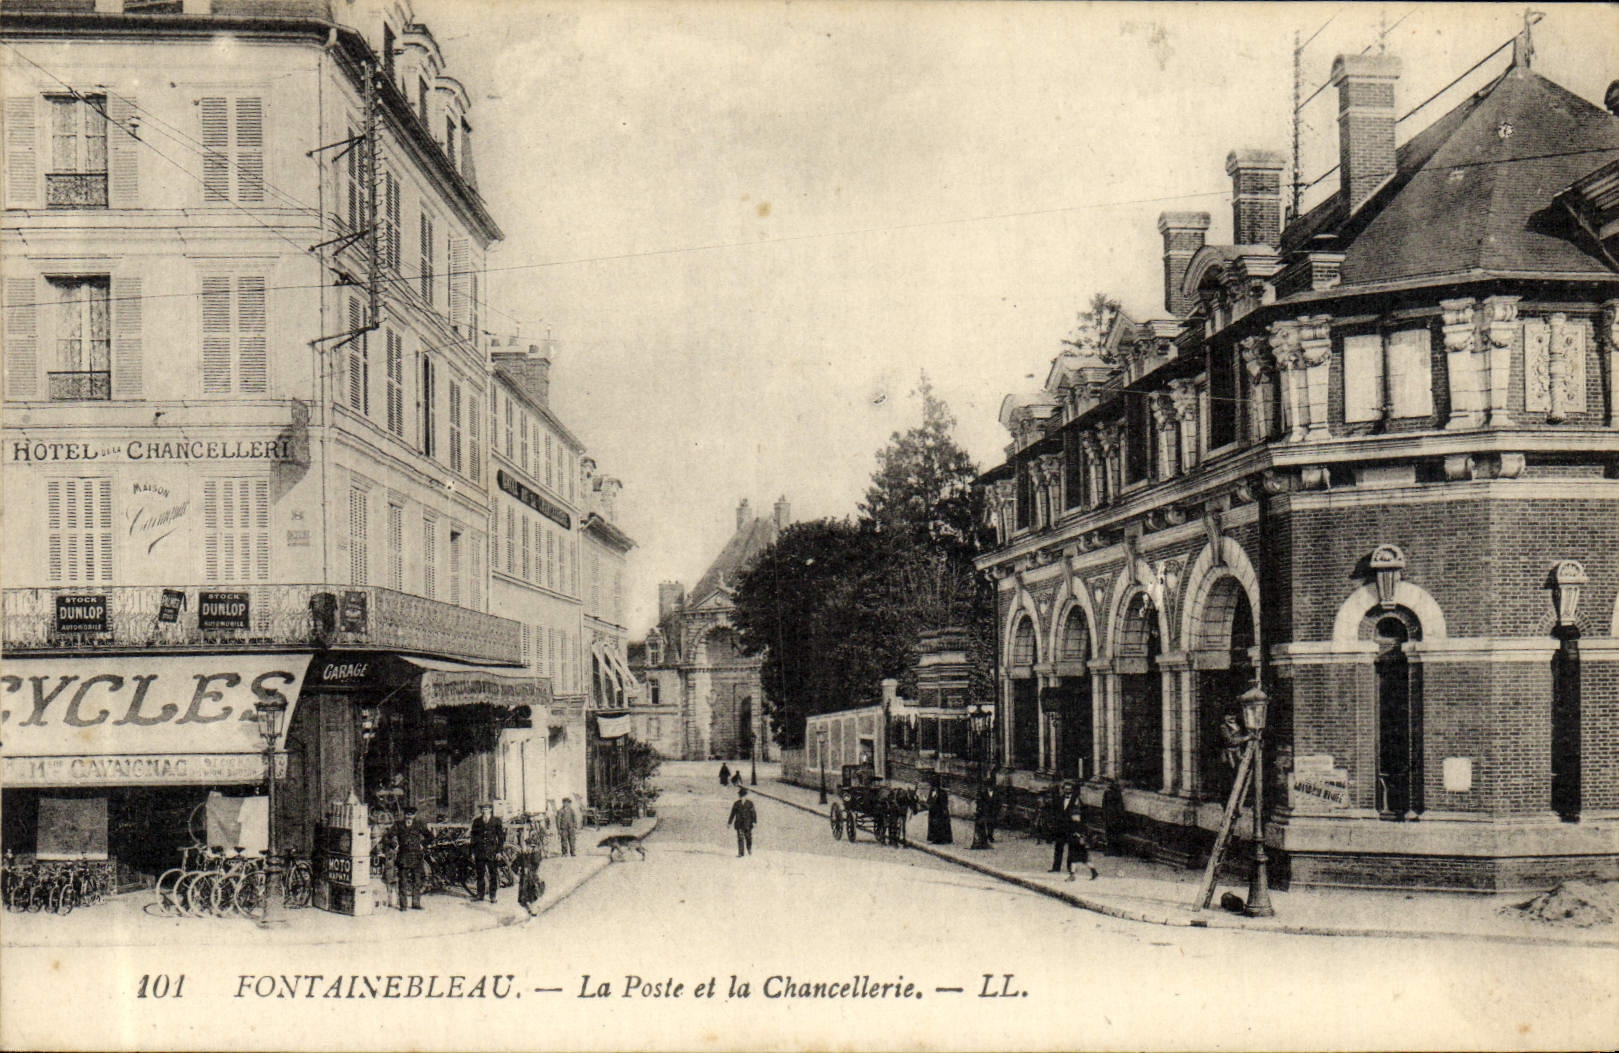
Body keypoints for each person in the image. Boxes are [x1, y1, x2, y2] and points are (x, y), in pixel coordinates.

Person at [1052, 781, 1098, 881]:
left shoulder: (1077, 802)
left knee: (1076, 855)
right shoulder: (1060, 799)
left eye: (1069, 789)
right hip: (1064, 829)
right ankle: (1060, 869)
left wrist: (1079, 832)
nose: (1067, 791)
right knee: (1072, 853)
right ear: (1063, 789)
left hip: (1074, 832)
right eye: (1066, 789)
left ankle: (1074, 873)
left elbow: (1080, 820)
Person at [389, 805, 430, 911]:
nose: (409, 816)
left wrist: (423, 844)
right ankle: (403, 905)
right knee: (403, 881)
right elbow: (388, 836)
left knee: (417, 881)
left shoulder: (419, 825)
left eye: (411, 814)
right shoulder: (398, 825)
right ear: (404, 815)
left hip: (416, 856)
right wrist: (395, 845)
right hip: (403, 856)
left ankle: (416, 903)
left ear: (414, 815)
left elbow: (430, 836)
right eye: (407, 814)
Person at [470, 802, 504, 904]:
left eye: (487, 808)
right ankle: (480, 895)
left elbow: (501, 837)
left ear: (490, 810)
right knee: (480, 874)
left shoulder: (496, 821)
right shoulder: (477, 821)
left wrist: (499, 851)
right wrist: (472, 852)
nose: (485, 810)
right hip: (479, 852)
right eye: (483, 809)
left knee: (493, 874)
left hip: (492, 852)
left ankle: (492, 896)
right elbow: (473, 837)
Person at [515, 827, 545, 917]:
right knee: (524, 894)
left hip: (531, 875)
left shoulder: (535, 853)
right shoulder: (523, 853)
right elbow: (517, 863)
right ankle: (529, 907)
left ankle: (533, 908)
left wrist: (529, 854)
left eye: (531, 847)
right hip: (525, 875)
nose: (528, 848)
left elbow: (536, 862)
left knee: (531, 892)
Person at [727, 786, 757, 857]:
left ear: (746, 796)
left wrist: (754, 821)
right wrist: (729, 822)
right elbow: (732, 813)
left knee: (748, 837)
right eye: (740, 796)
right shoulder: (736, 804)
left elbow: (753, 813)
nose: (742, 797)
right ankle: (741, 853)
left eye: (743, 796)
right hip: (739, 824)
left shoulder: (750, 803)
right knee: (740, 838)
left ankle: (749, 848)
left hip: (748, 824)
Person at [926, 779, 953, 845]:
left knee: (940, 825)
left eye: (934, 786)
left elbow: (944, 803)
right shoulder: (932, 791)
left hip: (939, 812)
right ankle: (933, 838)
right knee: (932, 825)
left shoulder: (942, 792)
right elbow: (929, 800)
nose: (933, 787)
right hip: (933, 811)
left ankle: (941, 839)